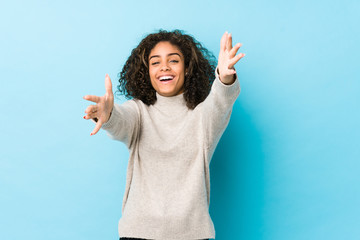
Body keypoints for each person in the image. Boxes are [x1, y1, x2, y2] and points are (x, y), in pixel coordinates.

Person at [83, 29, 245, 240]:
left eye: (174, 60)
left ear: (187, 68)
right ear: (147, 72)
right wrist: (109, 115)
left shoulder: (202, 117)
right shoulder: (139, 111)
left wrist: (224, 79)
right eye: (155, 62)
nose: (164, 67)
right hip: (137, 233)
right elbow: (122, 121)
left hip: (192, 235)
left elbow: (220, 102)